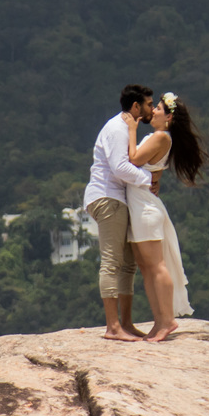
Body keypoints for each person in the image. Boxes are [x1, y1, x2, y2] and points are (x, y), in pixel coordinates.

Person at [123, 91, 209, 342]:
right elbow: (153, 171)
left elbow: (133, 159)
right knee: (147, 267)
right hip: (142, 207)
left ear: (168, 118)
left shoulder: (161, 136)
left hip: (145, 209)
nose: (154, 111)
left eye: (159, 108)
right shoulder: (160, 138)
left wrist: (131, 130)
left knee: (155, 266)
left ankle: (166, 320)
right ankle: (159, 320)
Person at [83, 85, 156, 341]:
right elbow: (119, 168)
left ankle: (125, 323)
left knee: (128, 265)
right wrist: (148, 179)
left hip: (116, 200)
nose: (151, 109)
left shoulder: (127, 128)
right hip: (107, 198)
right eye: (148, 104)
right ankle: (113, 327)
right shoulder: (117, 128)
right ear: (136, 107)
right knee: (113, 262)